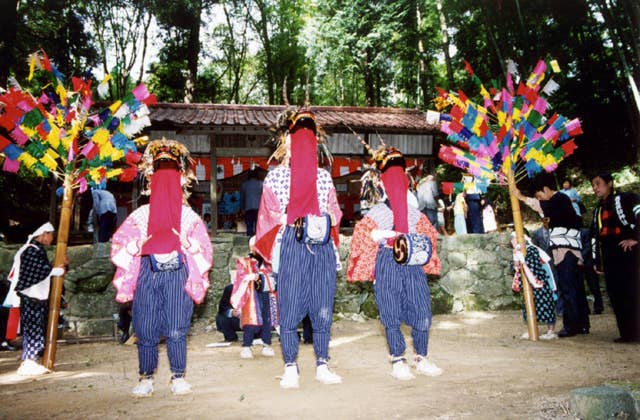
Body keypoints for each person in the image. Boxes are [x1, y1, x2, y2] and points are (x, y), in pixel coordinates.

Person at [111, 139, 213, 397]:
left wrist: (190, 245)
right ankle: (146, 376)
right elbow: (120, 243)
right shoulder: (140, 215)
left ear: (180, 178)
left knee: (178, 326)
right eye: (159, 171)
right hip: (147, 270)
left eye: (170, 171)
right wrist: (134, 246)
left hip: (178, 272)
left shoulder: (189, 216)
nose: (165, 177)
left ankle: (178, 375)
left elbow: (204, 249)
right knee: (145, 326)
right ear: (151, 179)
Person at [254, 109, 343, 389]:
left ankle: (322, 364)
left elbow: (335, 213)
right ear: (288, 141)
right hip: (291, 241)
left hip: (322, 244)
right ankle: (290, 365)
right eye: (298, 136)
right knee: (290, 307)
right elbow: (266, 216)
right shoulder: (275, 178)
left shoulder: (324, 178)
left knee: (323, 307)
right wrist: (285, 218)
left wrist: (324, 221)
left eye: (310, 137)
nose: (304, 141)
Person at [347, 147, 442, 380]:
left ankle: (422, 357)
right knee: (389, 311)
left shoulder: (414, 214)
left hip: (412, 264)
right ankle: (398, 359)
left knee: (422, 311)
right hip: (387, 261)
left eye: (400, 175)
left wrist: (415, 241)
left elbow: (430, 237)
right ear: (384, 183)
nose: (397, 181)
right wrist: (378, 235)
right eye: (392, 177)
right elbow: (361, 236)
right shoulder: (376, 213)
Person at [516, 176, 590, 338]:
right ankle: (581, 323)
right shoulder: (559, 202)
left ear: (546, 189)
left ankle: (571, 325)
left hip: (566, 249)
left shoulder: (559, 198)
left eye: (539, 196)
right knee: (575, 286)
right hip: (568, 248)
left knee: (568, 286)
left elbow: (541, 206)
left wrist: (521, 198)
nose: (539, 200)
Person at [4, 222, 65, 376]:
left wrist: (57, 268)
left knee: (37, 328)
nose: (52, 238)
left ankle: (31, 360)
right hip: (31, 296)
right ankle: (29, 362)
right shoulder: (30, 251)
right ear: (44, 234)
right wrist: (54, 270)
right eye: (51, 235)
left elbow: (43, 269)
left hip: (36, 296)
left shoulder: (35, 250)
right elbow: (36, 271)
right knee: (33, 329)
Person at [591, 173, 639, 343]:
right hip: (610, 256)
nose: (595, 188)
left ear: (609, 183)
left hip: (628, 253)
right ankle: (627, 333)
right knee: (616, 294)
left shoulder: (626, 198)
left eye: (598, 184)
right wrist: (597, 261)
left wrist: (636, 238)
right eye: (593, 185)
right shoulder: (598, 209)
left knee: (633, 291)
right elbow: (595, 237)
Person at [231, 236, 276, 359]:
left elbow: (274, 277)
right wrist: (249, 277)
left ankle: (266, 344)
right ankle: (247, 346)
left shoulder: (269, 262)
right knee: (250, 319)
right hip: (250, 294)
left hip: (266, 293)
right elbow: (239, 279)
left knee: (267, 319)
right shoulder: (244, 262)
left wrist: (260, 276)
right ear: (251, 247)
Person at [511, 234, 558, 340]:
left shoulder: (532, 249)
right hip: (527, 283)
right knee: (529, 306)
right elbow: (515, 267)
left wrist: (522, 260)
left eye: (514, 238)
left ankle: (551, 330)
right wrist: (516, 257)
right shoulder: (517, 251)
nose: (512, 240)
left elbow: (534, 265)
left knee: (546, 305)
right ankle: (532, 329)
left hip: (540, 282)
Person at [240, 169, 263, 237]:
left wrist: (242, 208)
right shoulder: (261, 183)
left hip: (248, 207)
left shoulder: (244, 185)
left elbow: (242, 198)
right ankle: (257, 239)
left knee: (249, 225)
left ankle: (249, 239)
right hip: (258, 207)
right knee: (258, 225)